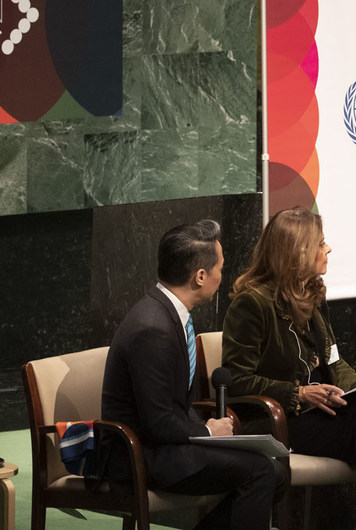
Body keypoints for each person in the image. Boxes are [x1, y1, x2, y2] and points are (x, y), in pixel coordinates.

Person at [221, 207, 356, 530]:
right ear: (298, 253)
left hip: (315, 419)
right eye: (321, 244)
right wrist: (299, 393)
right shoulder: (252, 304)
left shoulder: (311, 295)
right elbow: (236, 380)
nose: (328, 250)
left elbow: (333, 359)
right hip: (276, 421)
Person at [102, 220, 288, 530]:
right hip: (143, 455)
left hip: (168, 445)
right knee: (259, 472)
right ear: (200, 276)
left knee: (276, 473)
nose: (221, 275)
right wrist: (210, 432)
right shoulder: (152, 328)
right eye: (219, 268)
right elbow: (158, 423)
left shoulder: (169, 314)